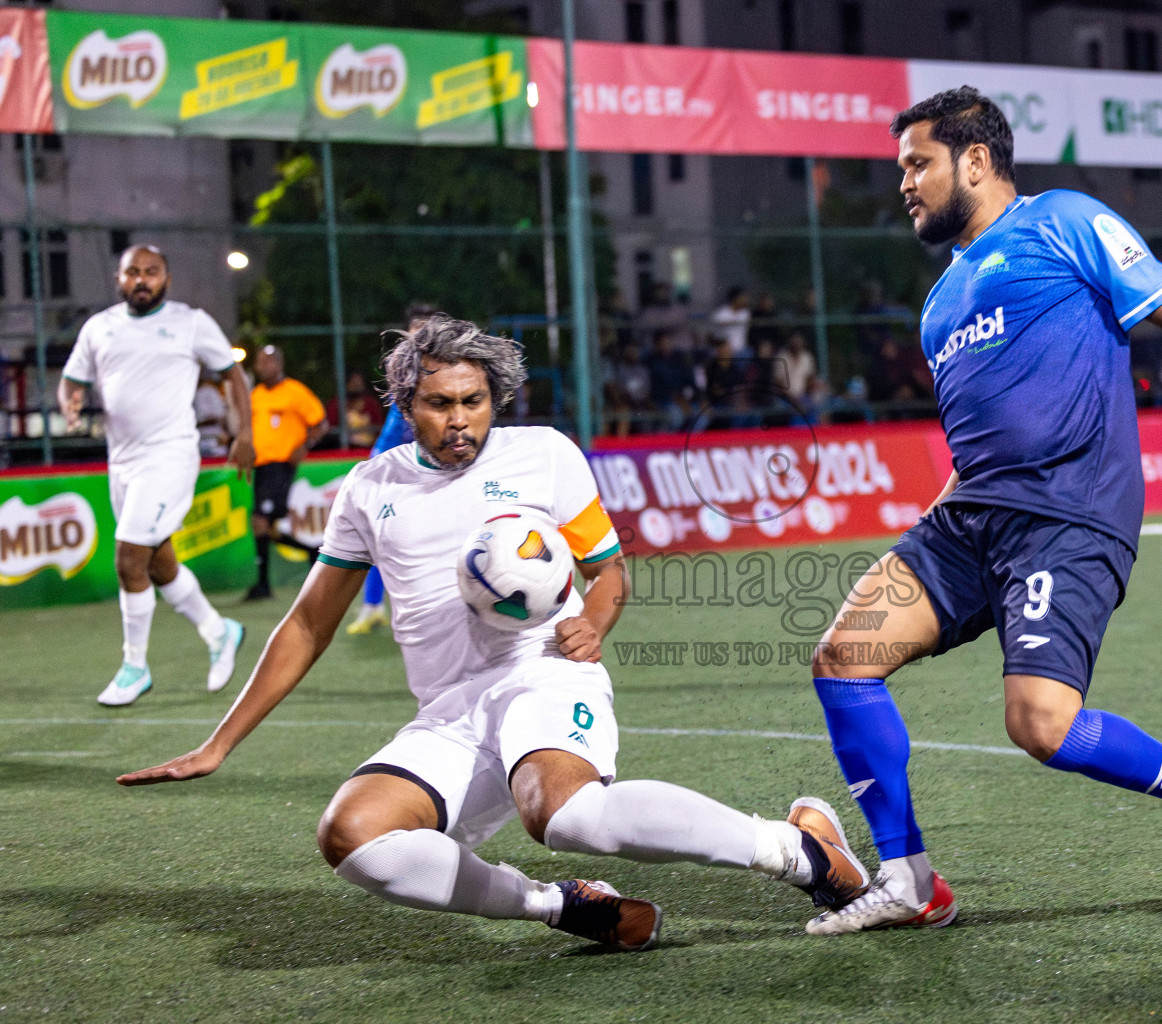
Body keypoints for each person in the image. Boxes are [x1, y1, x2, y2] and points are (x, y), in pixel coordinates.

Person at [117, 315, 871, 952]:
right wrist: (219, 744)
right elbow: (309, 623)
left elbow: (609, 573)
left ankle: (796, 851)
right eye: (439, 404)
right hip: (449, 712)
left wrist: (595, 620)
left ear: (494, 397)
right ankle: (562, 906)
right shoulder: (370, 488)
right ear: (406, 404)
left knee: (566, 814)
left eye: (474, 401)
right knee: (351, 837)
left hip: (543, 674)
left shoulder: (542, 454)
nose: (460, 421)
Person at [802, 87, 1162, 936]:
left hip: (1068, 515)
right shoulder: (938, 304)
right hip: (970, 520)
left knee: (1040, 725)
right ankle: (909, 879)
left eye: (918, 163)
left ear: (975, 160)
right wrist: (934, 526)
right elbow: (976, 442)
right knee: (843, 657)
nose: (905, 184)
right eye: (901, 169)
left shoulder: (1064, 220)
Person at [58, 244, 252, 707]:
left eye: (151, 272)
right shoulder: (99, 328)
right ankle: (218, 630)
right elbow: (73, 379)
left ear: (166, 277)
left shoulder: (191, 322)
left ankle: (134, 667)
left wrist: (244, 433)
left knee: (129, 559)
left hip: (170, 457)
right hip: (121, 461)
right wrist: (70, 398)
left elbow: (233, 376)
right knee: (158, 562)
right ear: (118, 278)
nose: (141, 279)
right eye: (132, 272)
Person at [348, 304, 433, 636]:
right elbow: (399, 425)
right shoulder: (404, 371)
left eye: (424, 328)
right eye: (414, 329)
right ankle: (372, 606)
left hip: (435, 467)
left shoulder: (450, 368)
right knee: (382, 538)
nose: (418, 335)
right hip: (399, 468)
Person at [246, 345, 328, 601]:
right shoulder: (256, 394)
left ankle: (263, 585)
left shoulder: (294, 391)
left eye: (267, 361)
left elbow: (320, 423)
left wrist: (305, 445)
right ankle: (312, 550)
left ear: (279, 364)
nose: (262, 366)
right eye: (259, 362)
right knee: (267, 527)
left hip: (280, 465)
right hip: (261, 465)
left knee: (260, 520)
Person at [710, 286, 752, 354]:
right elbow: (713, 333)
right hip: (724, 351)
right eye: (743, 297)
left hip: (742, 351)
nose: (746, 299)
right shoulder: (722, 313)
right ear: (736, 298)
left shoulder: (745, 313)